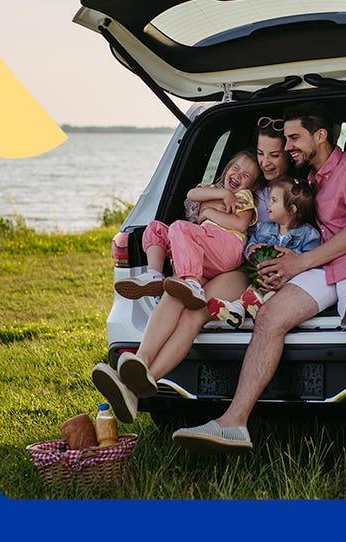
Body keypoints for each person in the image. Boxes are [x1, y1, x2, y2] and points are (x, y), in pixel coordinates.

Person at [171, 102, 346, 496]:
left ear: (321, 136)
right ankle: (234, 421)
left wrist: (298, 264)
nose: (289, 146)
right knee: (270, 317)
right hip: (327, 259)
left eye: (295, 138)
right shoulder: (309, 181)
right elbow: (280, 215)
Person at [91, 124, 294, 424]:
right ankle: (139, 365)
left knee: (192, 316)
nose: (266, 162)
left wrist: (209, 213)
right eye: (262, 154)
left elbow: (238, 224)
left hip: (237, 267)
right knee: (173, 298)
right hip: (201, 253)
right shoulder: (224, 189)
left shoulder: (287, 190)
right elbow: (191, 199)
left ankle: (143, 383)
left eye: (274, 155)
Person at [113, 149, 260, 309]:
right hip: (206, 248)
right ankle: (154, 274)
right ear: (227, 168)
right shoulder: (213, 190)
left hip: (228, 248)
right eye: (235, 168)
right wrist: (223, 193)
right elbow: (191, 194)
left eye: (246, 176)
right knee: (156, 228)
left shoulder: (244, 196)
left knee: (180, 227)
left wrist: (207, 212)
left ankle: (193, 283)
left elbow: (240, 225)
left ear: (253, 185)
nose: (238, 175)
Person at [206, 177, 321, 328]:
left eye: (274, 200)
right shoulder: (264, 228)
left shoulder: (309, 234)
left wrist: (295, 256)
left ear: (292, 210)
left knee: (271, 296)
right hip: (260, 278)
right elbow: (251, 243)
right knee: (252, 289)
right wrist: (251, 249)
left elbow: (311, 260)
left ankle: (258, 306)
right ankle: (237, 310)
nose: (268, 204)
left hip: (286, 283)